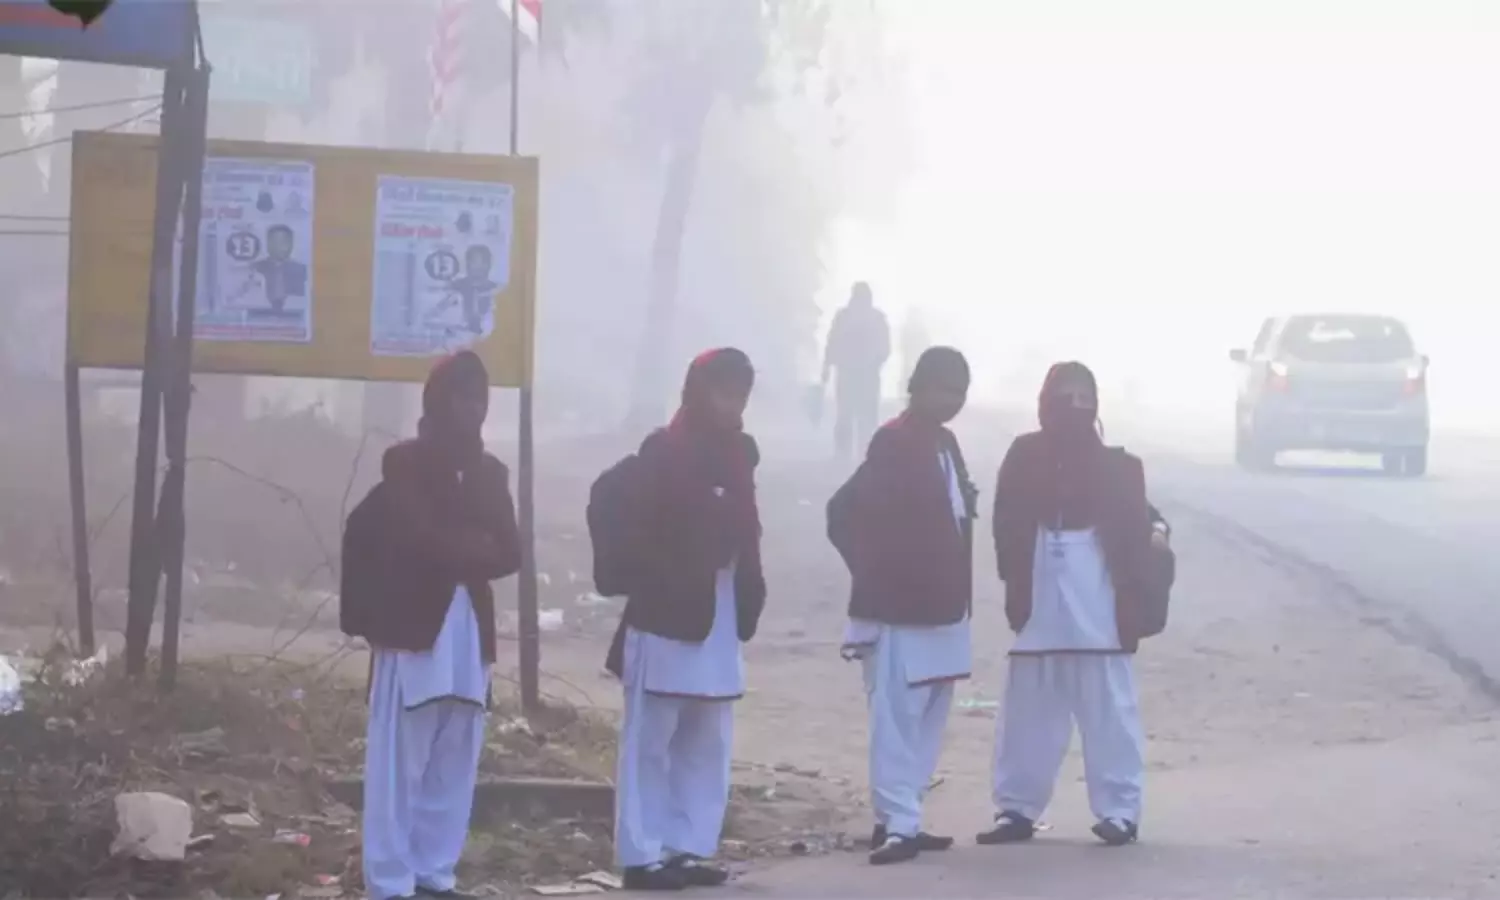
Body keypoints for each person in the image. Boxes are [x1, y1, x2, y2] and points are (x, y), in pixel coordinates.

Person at [340, 351, 520, 900]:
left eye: (480, 398)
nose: (472, 409)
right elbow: (420, 538)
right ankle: (391, 883)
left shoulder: (492, 473)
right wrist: (471, 545)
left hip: (469, 632)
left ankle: (434, 874)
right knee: (400, 761)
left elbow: (509, 551)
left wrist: (457, 545)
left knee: (454, 756)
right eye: (462, 397)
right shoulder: (405, 464)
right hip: (412, 627)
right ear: (439, 401)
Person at [979, 361, 1170, 849]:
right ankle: (1016, 809)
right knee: (1029, 713)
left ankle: (1120, 811)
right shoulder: (1024, 458)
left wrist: (1155, 536)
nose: (1076, 409)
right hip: (1040, 603)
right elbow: (1005, 527)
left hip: (1100, 610)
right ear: (1046, 404)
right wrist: (1016, 583)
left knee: (1110, 713)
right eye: (1066, 399)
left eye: (1085, 400)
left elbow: (1141, 523)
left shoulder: (1119, 469)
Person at [603, 348, 767, 892]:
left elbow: (747, 529)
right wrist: (678, 562)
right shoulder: (664, 451)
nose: (732, 404)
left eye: (740, 394)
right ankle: (642, 855)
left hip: (718, 610)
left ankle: (688, 846)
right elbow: (641, 529)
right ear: (698, 392)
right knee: (651, 739)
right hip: (666, 612)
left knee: (707, 736)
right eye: (723, 392)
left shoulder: (741, 454)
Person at [827, 347, 978, 866]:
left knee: (929, 719)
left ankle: (903, 814)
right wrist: (877, 575)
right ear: (918, 387)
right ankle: (897, 824)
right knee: (896, 721)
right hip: (901, 610)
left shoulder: (946, 443)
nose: (952, 400)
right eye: (943, 389)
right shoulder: (893, 441)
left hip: (946, 607)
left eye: (960, 392)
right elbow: (844, 513)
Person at [822, 282, 891, 461]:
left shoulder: (846, 317)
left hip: (856, 373)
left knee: (855, 415)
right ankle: (855, 453)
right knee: (855, 415)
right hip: (860, 374)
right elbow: (832, 342)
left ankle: (853, 453)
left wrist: (827, 366)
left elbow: (832, 342)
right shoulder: (873, 318)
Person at [251, 224, 309, 313]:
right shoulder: (254, 268)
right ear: (268, 244)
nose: (281, 247)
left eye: (284, 242)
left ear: (291, 244)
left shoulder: (303, 271)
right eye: (275, 242)